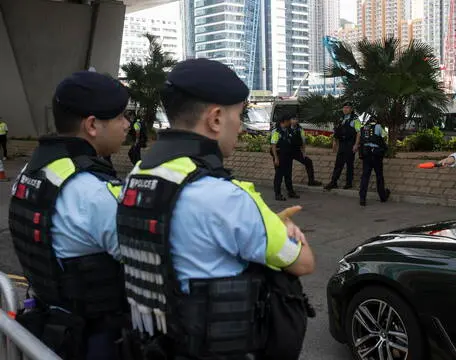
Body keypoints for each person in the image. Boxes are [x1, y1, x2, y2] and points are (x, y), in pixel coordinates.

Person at [116, 58, 315, 360]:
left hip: (152, 347)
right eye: (240, 113)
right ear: (216, 118)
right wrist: (284, 228)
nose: (241, 125)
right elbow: (303, 263)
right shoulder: (224, 196)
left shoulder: (137, 177)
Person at [9, 71, 130, 359]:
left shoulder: (32, 172)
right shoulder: (93, 191)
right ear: (92, 125)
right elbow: (150, 263)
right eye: (120, 117)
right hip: (95, 340)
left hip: (49, 328)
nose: (127, 125)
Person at [325, 101, 361, 190]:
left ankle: (349, 183)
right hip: (342, 144)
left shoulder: (356, 119)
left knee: (349, 164)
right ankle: (334, 182)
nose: (345, 109)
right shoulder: (341, 119)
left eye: (347, 108)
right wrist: (334, 142)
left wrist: (356, 144)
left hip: (350, 144)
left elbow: (359, 132)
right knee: (338, 164)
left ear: (351, 109)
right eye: (344, 107)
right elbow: (337, 131)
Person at [358, 115, 390, 206]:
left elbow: (361, 140)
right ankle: (382, 196)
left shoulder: (363, 128)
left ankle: (362, 199)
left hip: (366, 154)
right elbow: (384, 136)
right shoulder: (378, 127)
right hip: (376, 154)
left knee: (365, 176)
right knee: (379, 176)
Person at [271, 113, 299, 200]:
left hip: (288, 156)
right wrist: (276, 158)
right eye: (289, 121)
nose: (291, 122)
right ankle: (277, 194)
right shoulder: (276, 131)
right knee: (279, 176)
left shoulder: (288, 130)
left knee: (288, 175)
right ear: (285, 121)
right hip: (280, 157)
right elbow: (273, 145)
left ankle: (290, 192)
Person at [290, 116, 322, 186]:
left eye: (296, 119)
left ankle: (311, 181)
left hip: (297, 151)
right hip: (288, 151)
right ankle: (286, 183)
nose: (294, 121)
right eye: (293, 119)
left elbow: (303, 141)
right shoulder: (287, 128)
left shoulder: (300, 129)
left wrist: (304, 153)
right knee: (287, 167)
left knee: (308, 162)